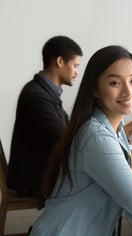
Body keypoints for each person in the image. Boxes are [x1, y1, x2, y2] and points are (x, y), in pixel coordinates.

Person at [29, 45, 132, 235]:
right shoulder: (97, 137)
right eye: (115, 83)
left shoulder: (113, 127)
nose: (128, 92)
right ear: (95, 90)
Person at [7, 35, 83, 198]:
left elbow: (68, 129)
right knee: (96, 182)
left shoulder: (45, 92)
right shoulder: (36, 95)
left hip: (40, 173)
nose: (77, 72)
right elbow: (65, 139)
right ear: (60, 62)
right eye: (75, 65)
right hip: (32, 180)